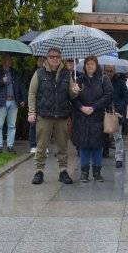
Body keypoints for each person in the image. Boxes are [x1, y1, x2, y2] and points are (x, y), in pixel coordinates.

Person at [28, 48, 80, 185]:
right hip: (44, 115)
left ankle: (63, 171)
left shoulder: (66, 74)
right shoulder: (39, 73)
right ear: (47, 58)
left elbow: (72, 95)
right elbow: (32, 93)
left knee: (63, 145)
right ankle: (39, 171)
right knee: (41, 145)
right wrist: (31, 112)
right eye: (52, 56)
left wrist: (75, 91)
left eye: (57, 56)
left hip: (62, 115)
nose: (55, 59)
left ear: (60, 58)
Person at [72, 57, 113, 182]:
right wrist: (80, 106)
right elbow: (73, 99)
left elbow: (109, 95)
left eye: (92, 64)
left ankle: (97, 172)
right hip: (82, 118)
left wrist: (95, 107)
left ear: (96, 66)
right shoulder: (78, 80)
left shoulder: (103, 79)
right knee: (84, 146)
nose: (90, 66)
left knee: (97, 146)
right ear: (84, 66)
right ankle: (84, 173)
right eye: (88, 64)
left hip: (98, 117)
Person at [0, 54, 26, 153]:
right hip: (2, 102)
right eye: (6, 60)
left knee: (12, 125)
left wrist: (23, 99)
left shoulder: (15, 73)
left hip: (14, 101)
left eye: (10, 60)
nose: (8, 62)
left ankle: (10, 146)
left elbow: (21, 86)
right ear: (3, 61)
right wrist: (2, 81)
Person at [103, 64, 128, 168]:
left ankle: (119, 158)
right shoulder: (101, 81)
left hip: (116, 112)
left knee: (118, 136)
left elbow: (126, 98)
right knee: (102, 134)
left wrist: (118, 108)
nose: (109, 73)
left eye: (111, 71)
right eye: (107, 71)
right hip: (103, 111)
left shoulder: (120, 82)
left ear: (114, 71)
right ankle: (104, 151)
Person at [28, 56, 46, 154]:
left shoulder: (49, 73)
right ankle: (33, 145)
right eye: (39, 61)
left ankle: (44, 145)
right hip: (36, 102)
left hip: (45, 103)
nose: (41, 63)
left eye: (43, 61)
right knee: (33, 124)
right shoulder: (34, 73)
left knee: (45, 126)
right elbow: (31, 91)